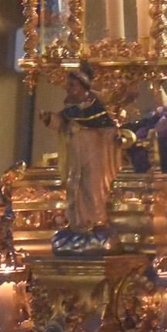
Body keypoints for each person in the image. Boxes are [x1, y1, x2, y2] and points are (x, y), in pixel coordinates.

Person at [39, 62, 121, 242]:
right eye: (68, 85)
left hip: (94, 156)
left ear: (84, 87)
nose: (68, 89)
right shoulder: (71, 110)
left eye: (72, 85)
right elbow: (62, 123)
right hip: (75, 158)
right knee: (75, 189)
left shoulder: (98, 110)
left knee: (92, 188)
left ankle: (97, 221)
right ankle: (79, 224)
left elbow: (109, 130)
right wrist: (49, 119)